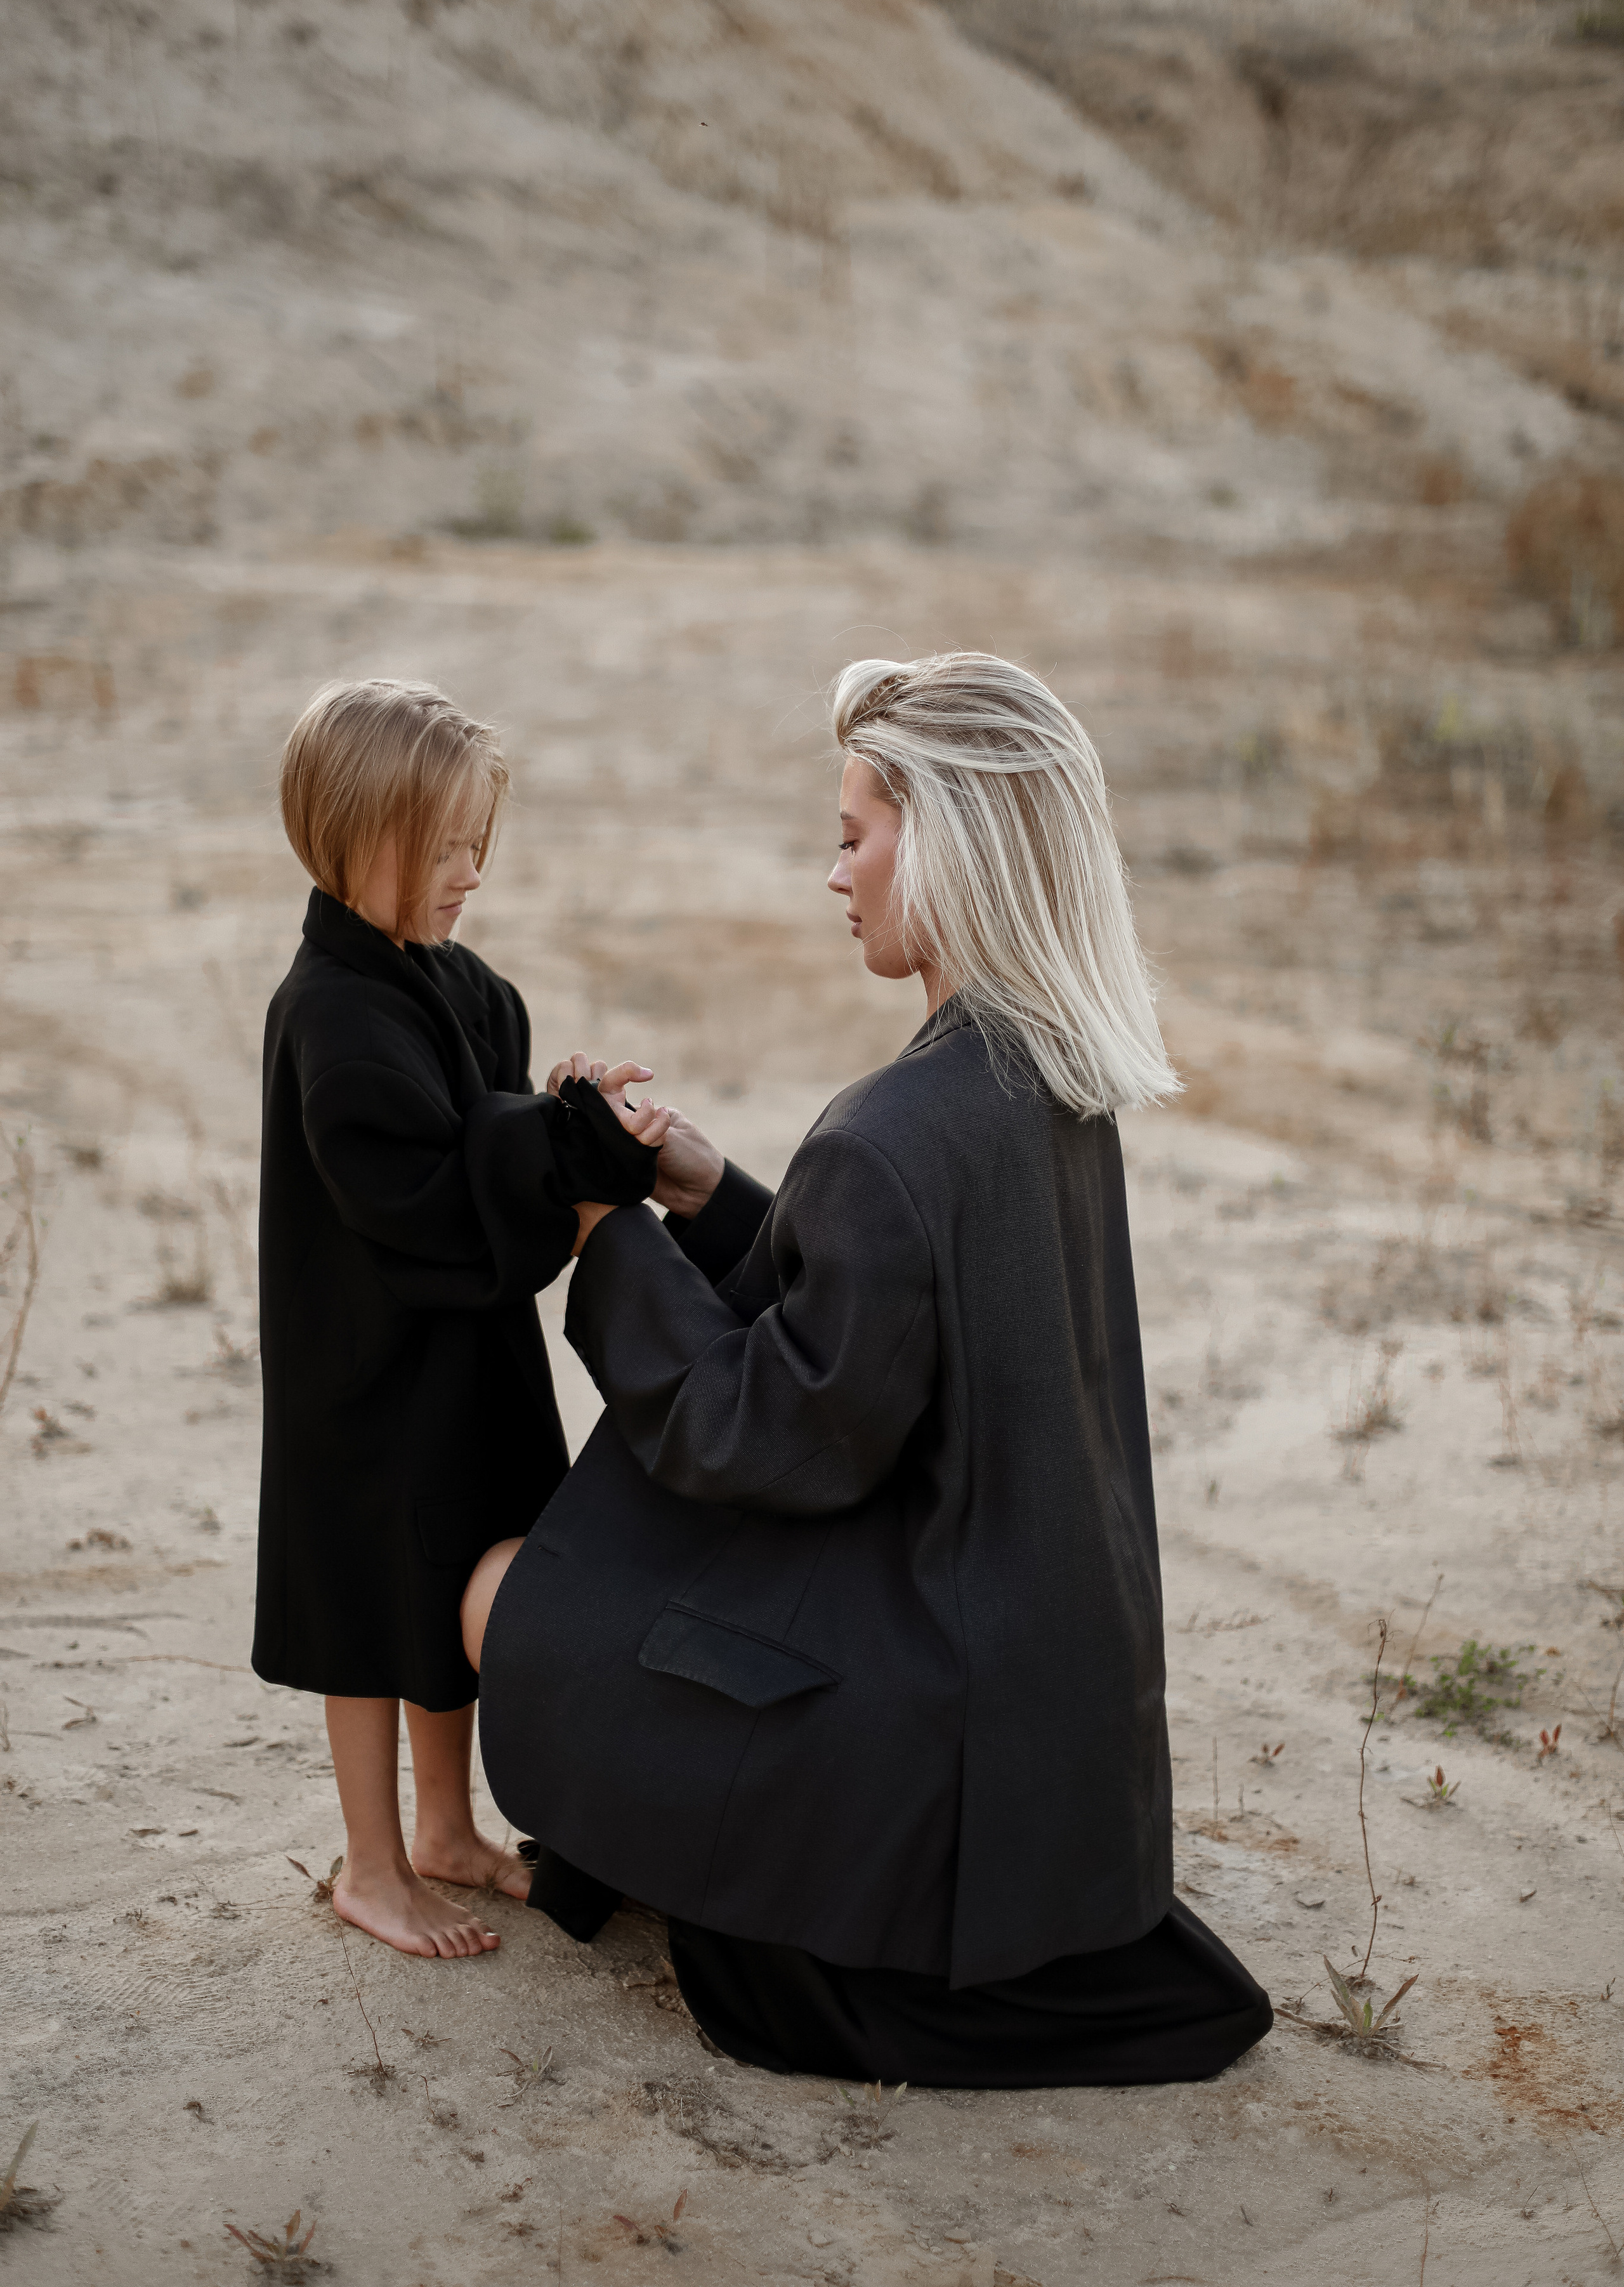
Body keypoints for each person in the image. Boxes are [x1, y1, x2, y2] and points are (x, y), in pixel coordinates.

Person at [464, 652, 1273, 2083]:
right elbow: (892, 1324)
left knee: (503, 1596)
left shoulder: (896, 1128)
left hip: (937, 1729)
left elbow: (763, 1438)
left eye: (853, 837)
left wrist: (604, 1231)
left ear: (944, 842)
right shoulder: (1053, 1072)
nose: (832, 874)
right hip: (1043, 1702)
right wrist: (703, 1193)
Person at [254, 678, 671, 1959]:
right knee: (368, 1607)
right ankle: (371, 1866)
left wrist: (567, 1119)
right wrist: (543, 1145)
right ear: (350, 838)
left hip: (466, 1352)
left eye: (478, 844)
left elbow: (496, 1146)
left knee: (455, 1575)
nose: (470, 873)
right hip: (361, 1367)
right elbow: (421, 1194)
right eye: (442, 849)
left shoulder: (468, 990)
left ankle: (446, 1829)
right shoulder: (332, 1017)